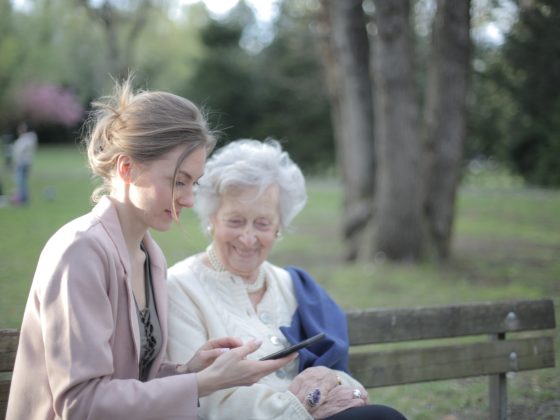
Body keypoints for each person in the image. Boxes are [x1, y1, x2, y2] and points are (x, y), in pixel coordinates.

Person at [6, 82, 296, 420]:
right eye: (178, 181)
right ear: (127, 168)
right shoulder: (79, 251)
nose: (188, 200)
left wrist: (189, 370)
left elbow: (130, 379)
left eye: (194, 183)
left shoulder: (149, 255)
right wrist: (199, 384)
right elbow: (81, 404)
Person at [166, 139, 407, 419]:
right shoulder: (180, 287)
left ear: (279, 227)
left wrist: (337, 385)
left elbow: (345, 380)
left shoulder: (294, 286)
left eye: (262, 223)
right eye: (235, 221)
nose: (248, 238)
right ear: (212, 219)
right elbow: (203, 400)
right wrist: (301, 406)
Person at [11, 121, 38, 205]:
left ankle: (23, 199)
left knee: (21, 181)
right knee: (22, 181)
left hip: (23, 163)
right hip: (25, 163)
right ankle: (23, 197)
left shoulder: (26, 139)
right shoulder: (27, 139)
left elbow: (19, 151)